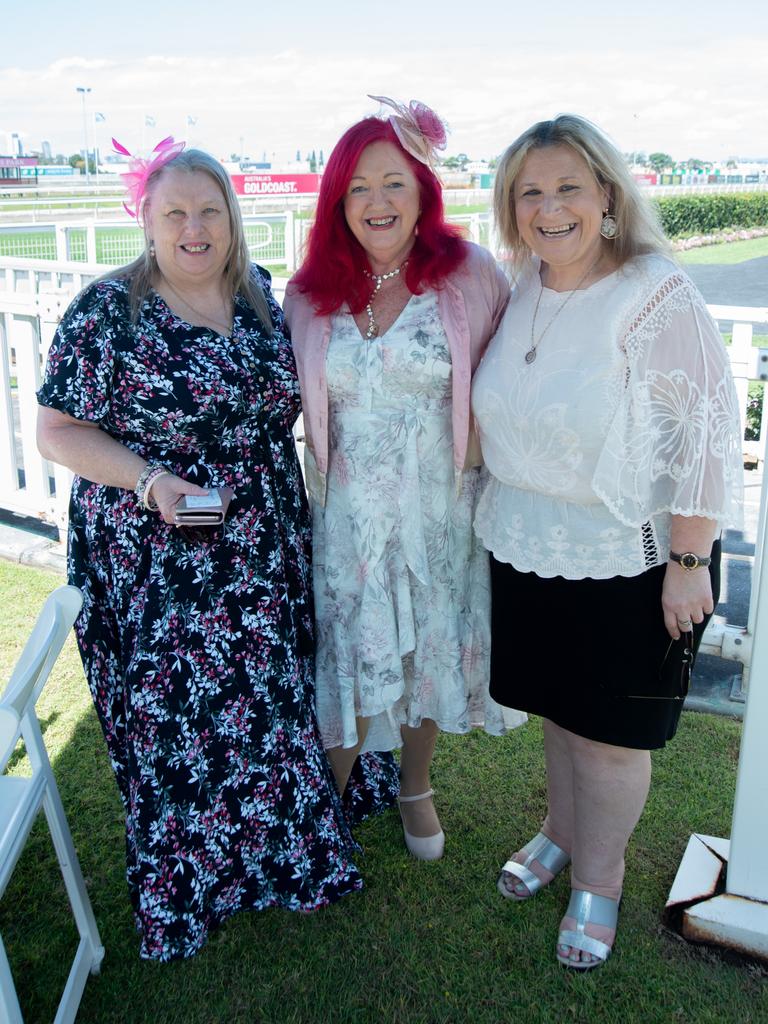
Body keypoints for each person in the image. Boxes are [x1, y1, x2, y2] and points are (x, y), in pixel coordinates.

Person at [36, 140, 396, 962]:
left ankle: (284, 850)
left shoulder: (262, 293)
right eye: (176, 213)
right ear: (147, 219)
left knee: (270, 694)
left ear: (232, 219)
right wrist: (151, 479)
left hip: (261, 535)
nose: (195, 228)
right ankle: (195, 882)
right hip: (157, 542)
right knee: (184, 720)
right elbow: (56, 431)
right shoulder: (107, 312)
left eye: (210, 211)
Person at [471, 114, 742, 969]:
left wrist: (689, 561)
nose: (550, 209)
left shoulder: (655, 290)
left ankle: (602, 878)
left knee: (609, 733)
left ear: (609, 198)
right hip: (525, 542)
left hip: (630, 555)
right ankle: (558, 832)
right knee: (559, 709)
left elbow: (702, 430)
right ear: (511, 211)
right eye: (530, 193)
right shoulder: (526, 282)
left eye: (568, 189)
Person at [284, 97, 525, 862]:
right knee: (349, 654)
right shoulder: (308, 292)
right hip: (350, 519)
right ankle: (329, 807)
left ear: (423, 188)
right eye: (357, 188)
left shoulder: (470, 275)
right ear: (337, 203)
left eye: (393, 182)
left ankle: (414, 785)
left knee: (426, 651)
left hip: (441, 511)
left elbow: (513, 380)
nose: (376, 202)